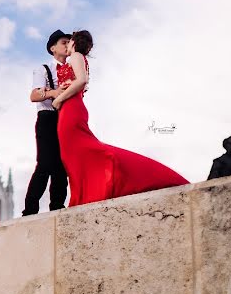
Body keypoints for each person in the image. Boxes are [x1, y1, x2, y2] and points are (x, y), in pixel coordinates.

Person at [52, 30, 188, 206]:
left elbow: (81, 80)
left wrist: (59, 99)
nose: (67, 45)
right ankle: (84, 195)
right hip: (70, 110)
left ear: (74, 43)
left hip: (70, 109)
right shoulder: (77, 59)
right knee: (73, 154)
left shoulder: (76, 56)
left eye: (69, 42)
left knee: (81, 151)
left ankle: (91, 192)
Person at [22, 30, 70, 215]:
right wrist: (53, 92)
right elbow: (34, 95)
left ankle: (57, 206)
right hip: (47, 118)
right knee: (44, 164)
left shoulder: (72, 70)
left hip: (64, 120)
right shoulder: (44, 69)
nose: (67, 45)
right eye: (63, 42)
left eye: (68, 43)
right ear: (53, 48)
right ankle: (30, 209)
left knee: (61, 165)